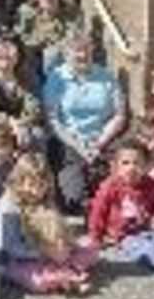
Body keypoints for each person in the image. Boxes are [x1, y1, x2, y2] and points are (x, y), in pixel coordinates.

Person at [43, 31, 127, 212]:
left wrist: (99, 142)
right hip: (69, 140)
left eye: (86, 50)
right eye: (76, 51)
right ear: (66, 54)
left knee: (118, 184)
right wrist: (79, 146)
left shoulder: (106, 76)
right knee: (73, 199)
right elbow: (53, 120)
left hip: (104, 139)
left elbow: (119, 115)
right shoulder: (57, 78)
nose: (82, 55)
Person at [0, 153, 96, 294]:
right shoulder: (8, 207)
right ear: (19, 182)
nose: (36, 191)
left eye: (41, 185)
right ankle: (66, 278)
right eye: (31, 185)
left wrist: (66, 243)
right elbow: (8, 247)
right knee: (37, 280)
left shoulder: (45, 197)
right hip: (19, 258)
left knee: (89, 246)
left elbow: (56, 226)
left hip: (47, 251)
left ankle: (66, 275)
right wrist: (44, 253)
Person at [88, 139, 154, 269]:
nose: (131, 168)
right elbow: (98, 212)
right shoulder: (111, 186)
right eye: (125, 163)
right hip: (123, 235)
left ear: (146, 166)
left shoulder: (151, 184)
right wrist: (96, 238)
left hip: (147, 229)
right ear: (116, 167)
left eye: (137, 163)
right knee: (147, 250)